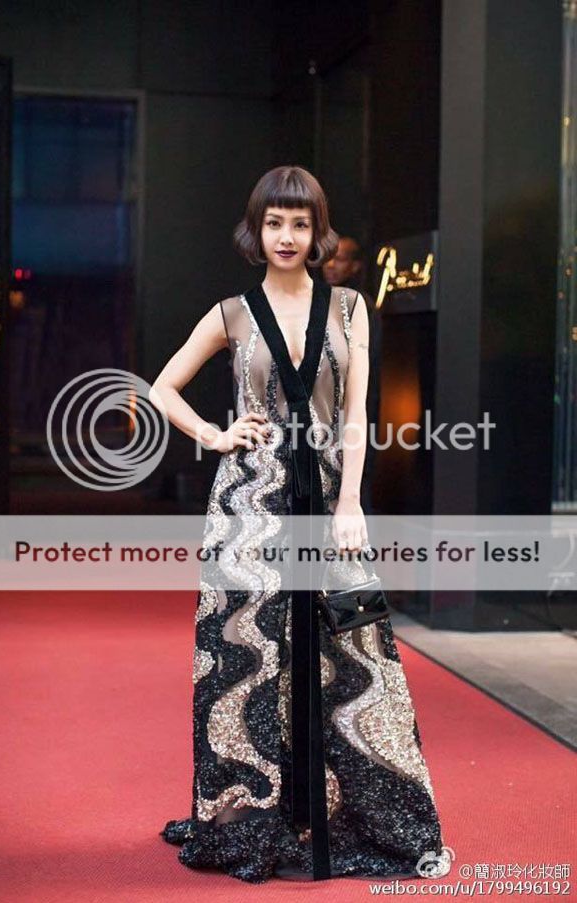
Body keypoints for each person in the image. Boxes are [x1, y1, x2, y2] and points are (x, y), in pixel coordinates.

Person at [150, 165, 445, 884]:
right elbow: (161, 387)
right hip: (247, 508)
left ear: (318, 233)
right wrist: (216, 436)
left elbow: (353, 417)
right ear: (258, 230)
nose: (287, 236)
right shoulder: (230, 313)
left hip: (325, 504)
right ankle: (256, 810)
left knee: (357, 657)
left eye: (301, 223)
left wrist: (350, 505)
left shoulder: (349, 308)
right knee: (245, 670)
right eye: (275, 222)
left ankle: (362, 812)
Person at [323, 236, 382, 516]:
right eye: (329, 257)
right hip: (318, 417)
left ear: (355, 266)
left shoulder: (360, 307)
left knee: (355, 484)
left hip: (351, 409)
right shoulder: (316, 303)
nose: (331, 265)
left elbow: (364, 372)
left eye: (341, 258)